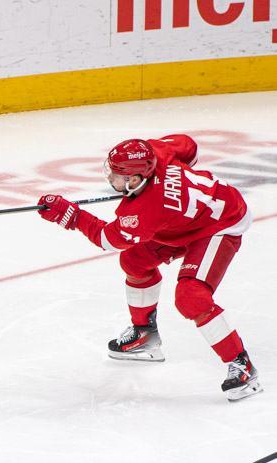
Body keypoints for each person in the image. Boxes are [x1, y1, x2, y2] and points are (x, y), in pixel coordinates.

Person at [36, 134, 262, 402]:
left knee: (191, 297)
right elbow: (189, 147)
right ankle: (144, 334)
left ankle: (242, 366)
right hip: (183, 222)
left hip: (222, 223)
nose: (111, 179)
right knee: (134, 261)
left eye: (118, 177)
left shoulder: (144, 211)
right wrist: (175, 188)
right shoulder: (154, 151)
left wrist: (72, 216)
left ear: (135, 179)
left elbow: (108, 238)